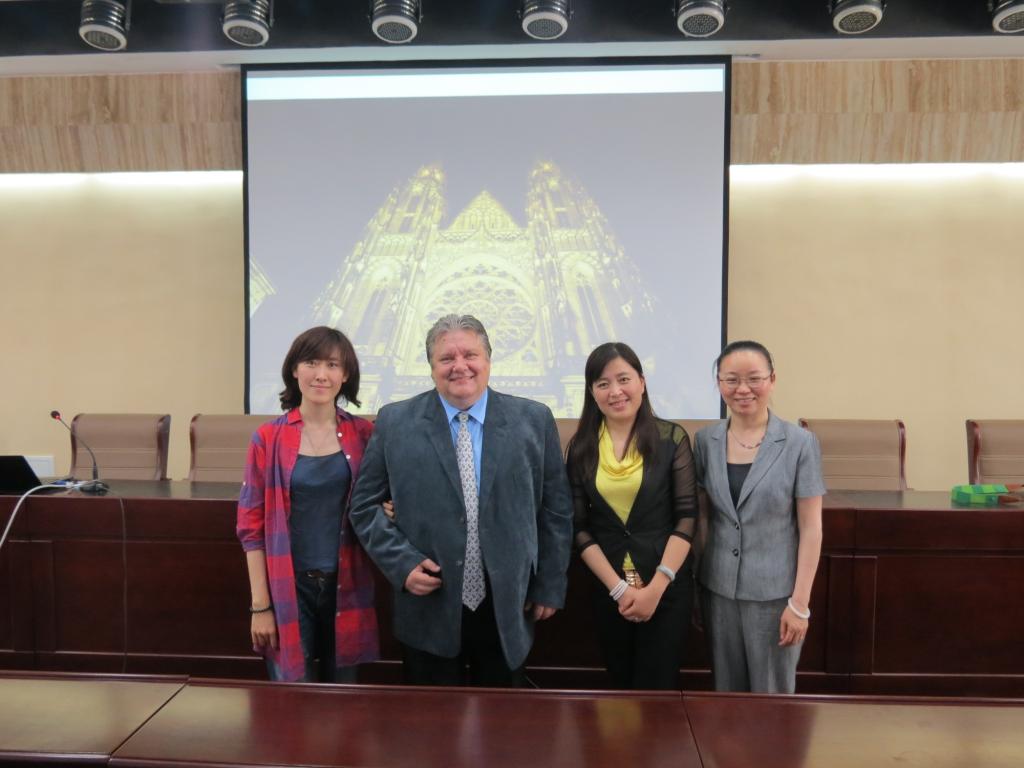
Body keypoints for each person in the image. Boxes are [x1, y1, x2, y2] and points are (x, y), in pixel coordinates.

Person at [349, 314, 573, 687]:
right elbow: (364, 506)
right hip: (428, 604)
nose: (459, 366)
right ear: (431, 367)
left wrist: (550, 583)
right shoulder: (395, 422)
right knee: (432, 721)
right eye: (446, 358)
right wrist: (401, 564)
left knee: (503, 718)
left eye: (470, 354)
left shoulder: (533, 420)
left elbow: (556, 509)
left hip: (510, 605)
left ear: (488, 359)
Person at [236, 326, 379, 682]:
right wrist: (260, 607)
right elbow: (251, 529)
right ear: (294, 369)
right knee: (292, 699)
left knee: (343, 698)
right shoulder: (267, 438)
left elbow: (380, 501)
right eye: (311, 363)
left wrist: (387, 508)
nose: (321, 375)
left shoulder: (364, 434)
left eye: (332, 365)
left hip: (347, 584)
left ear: (345, 374)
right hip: (288, 587)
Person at [692, 340, 825, 694]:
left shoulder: (800, 443)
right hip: (718, 590)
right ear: (719, 383)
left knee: (771, 699)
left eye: (754, 378)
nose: (743, 389)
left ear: (772, 380)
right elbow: (703, 520)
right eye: (731, 379)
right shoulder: (705, 441)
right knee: (726, 696)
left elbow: (811, 529)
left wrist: (800, 604)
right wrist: (697, 586)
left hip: (775, 596)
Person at [566, 342, 697, 690]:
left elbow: (686, 517)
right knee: (619, 688)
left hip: (665, 587)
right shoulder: (581, 447)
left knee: (658, 688)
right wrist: (618, 589)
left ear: (642, 381)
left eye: (624, 379)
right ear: (592, 391)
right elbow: (579, 528)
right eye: (603, 383)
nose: (615, 391)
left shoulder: (672, 439)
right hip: (609, 589)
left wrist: (656, 587)